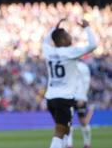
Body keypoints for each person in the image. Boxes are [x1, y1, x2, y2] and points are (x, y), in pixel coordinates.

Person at [42, 18, 97, 148]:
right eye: (67, 35)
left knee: (65, 130)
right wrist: (87, 28)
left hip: (51, 98)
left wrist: (54, 28)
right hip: (64, 98)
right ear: (62, 40)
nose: (70, 37)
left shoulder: (48, 51)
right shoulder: (70, 52)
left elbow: (46, 40)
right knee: (60, 132)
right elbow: (93, 45)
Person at [67, 61, 94, 148]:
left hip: (79, 97)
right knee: (68, 121)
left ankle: (87, 144)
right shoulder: (68, 65)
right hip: (69, 96)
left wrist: (83, 96)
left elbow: (86, 81)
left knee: (83, 121)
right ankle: (69, 145)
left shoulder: (83, 67)